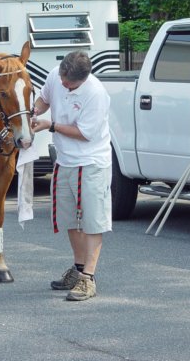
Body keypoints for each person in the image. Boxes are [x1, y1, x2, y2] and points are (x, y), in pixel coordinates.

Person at [31, 50, 112, 301]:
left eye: (70, 83)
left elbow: (84, 133)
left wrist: (50, 125)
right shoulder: (57, 75)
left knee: (92, 221)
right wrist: (33, 111)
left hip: (91, 162)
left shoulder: (96, 94)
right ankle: (78, 269)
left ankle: (88, 277)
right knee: (69, 219)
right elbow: (44, 99)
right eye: (63, 79)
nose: (64, 85)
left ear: (83, 79)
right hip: (65, 161)